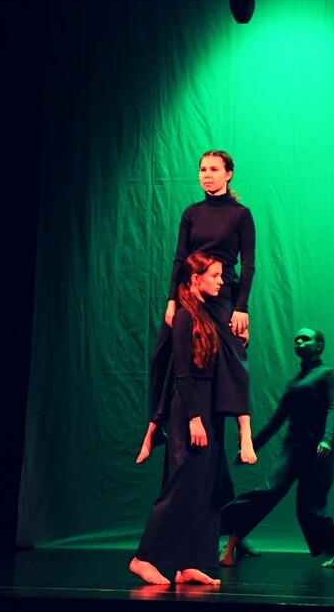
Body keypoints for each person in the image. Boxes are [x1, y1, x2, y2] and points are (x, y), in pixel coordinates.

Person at [146, 149, 259, 556]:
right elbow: (180, 258)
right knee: (166, 356)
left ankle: (244, 435)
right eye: (202, 169)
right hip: (191, 292)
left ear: (229, 174)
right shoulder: (192, 213)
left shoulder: (240, 215)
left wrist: (241, 307)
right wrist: (171, 299)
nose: (207, 175)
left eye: (214, 169)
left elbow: (248, 264)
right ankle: (156, 426)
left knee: (231, 358)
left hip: (221, 293)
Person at [130, 252, 253, 585]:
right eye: (214, 275)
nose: (221, 281)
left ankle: (188, 563)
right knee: (181, 485)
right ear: (196, 279)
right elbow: (181, 373)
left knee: (205, 488)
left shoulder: (206, 315)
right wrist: (194, 419)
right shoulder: (184, 317)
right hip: (190, 409)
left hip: (210, 408)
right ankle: (142, 558)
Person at [219, 328, 334, 569]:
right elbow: (277, 420)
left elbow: (332, 408)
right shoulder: (294, 383)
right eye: (296, 339)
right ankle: (228, 542)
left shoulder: (326, 374)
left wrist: (326, 439)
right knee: (265, 493)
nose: (299, 341)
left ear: (319, 345)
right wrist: (251, 446)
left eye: (305, 338)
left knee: (308, 509)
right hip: (293, 450)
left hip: (319, 452)